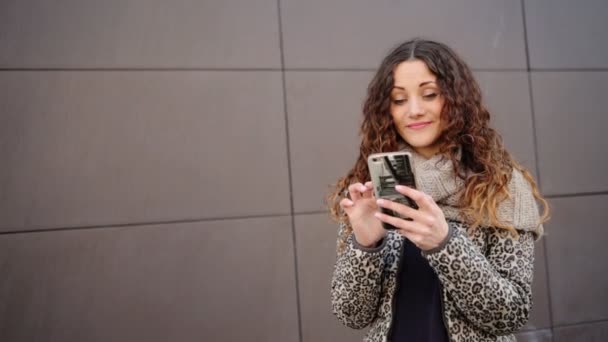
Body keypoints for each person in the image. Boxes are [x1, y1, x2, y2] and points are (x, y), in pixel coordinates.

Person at [327, 39, 549, 342]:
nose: (414, 110)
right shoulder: (372, 186)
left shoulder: (500, 186)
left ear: (456, 99)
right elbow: (352, 315)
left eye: (429, 94)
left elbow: (510, 314)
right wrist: (366, 244)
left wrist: (445, 243)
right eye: (399, 99)